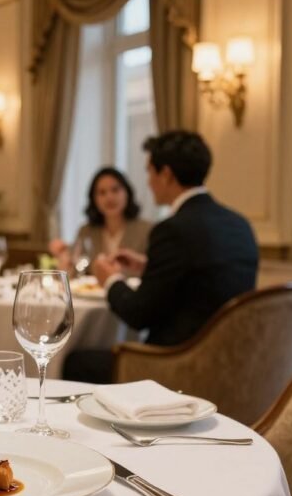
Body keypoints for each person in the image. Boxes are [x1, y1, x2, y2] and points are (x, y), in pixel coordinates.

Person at [65, 130, 258, 383]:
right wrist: (148, 266)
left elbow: (139, 314)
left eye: (149, 172)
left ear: (165, 174)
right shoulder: (239, 224)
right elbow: (201, 280)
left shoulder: (173, 230)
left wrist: (110, 279)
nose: (148, 182)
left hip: (177, 364)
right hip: (229, 361)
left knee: (74, 362)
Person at [49, 167, 152, 271]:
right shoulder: (86, 231)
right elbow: (75, 270)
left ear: (127, 193)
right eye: (102, 192)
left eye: (115, 190)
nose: (109, 197)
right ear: (94, 199)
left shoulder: (147, 230)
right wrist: (63, 254)